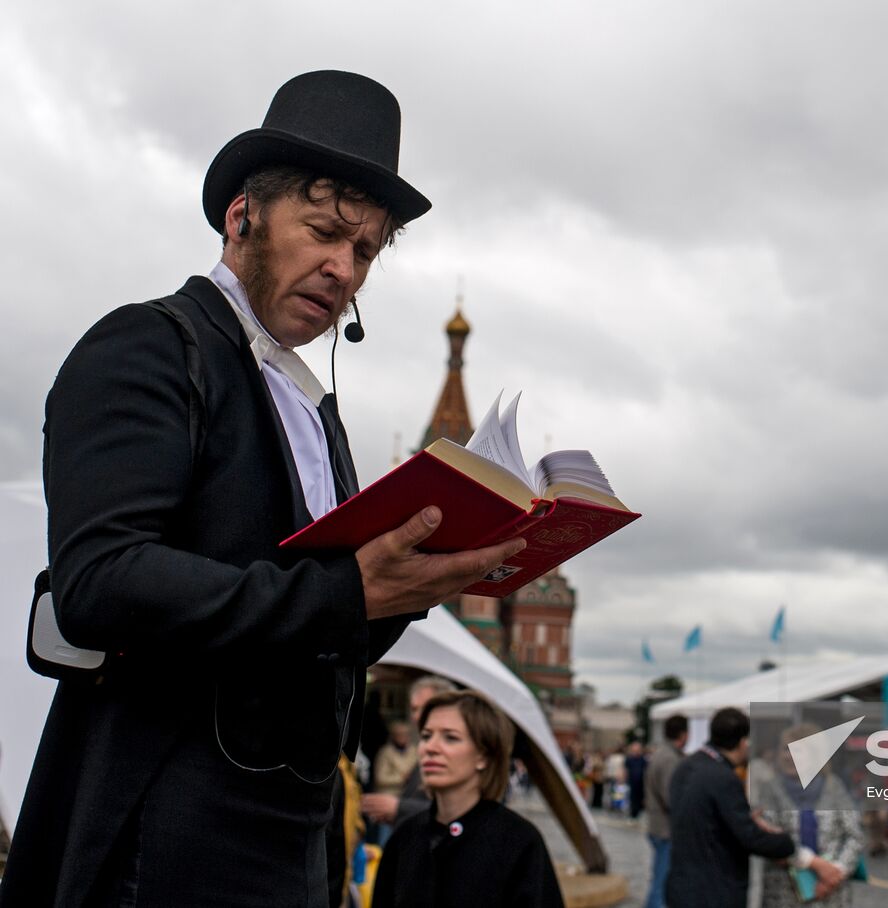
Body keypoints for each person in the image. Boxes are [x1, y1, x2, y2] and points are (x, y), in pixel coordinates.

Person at [0, 71, 527, 908]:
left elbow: (327, 632)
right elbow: (101, 581)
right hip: (166, 835)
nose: (342, 268)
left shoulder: (318, 416)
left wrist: (415, 583)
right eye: (324, 232)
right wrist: (347, 592)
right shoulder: (149, 346)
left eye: (364, 252)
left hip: (297, 837)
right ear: (242, 215)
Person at [373, 689, 564, 907]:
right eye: (426, 736)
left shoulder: (519, 842)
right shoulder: (405, 838)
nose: (431, 748)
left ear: (483, 755)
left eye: (450, 738)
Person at [666, 707, 840, 908]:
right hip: (713, 892)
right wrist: (786, 843)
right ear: (743, 742)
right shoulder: (723, 778)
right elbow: (750, 837)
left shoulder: (686, 767)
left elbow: (706, 819)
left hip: (682, 886)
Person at [752, 723, 865, 907]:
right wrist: (814, 863)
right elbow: (770, 839)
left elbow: (854, 835)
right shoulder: (770, 789)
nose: (788, 756)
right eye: (784, 750)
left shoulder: (833, 787)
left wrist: (835, 873)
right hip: (784, 893)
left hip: (831, 893)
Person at [363, 674, 457, 830]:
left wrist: (399, 808)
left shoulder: (456, 752)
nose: (417, 716)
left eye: (426, 707)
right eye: (414, 709)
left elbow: (456, 812)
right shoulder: (422, 748)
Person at [644, 715, 689, 908]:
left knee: (659, 881)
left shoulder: (661, 754)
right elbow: (672, 797)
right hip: (665, 829)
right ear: (684, 734)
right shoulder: (669, 758)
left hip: (658, 826)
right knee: (661, 885)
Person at [627, 740, 649, 818]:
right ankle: (633, 813)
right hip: (631, 783)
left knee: (640, 799)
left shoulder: (643, 760)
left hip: (641, 784)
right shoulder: (629, 759)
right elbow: (625, 769)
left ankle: (638, 812)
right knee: (632, 799)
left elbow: (647, 770)